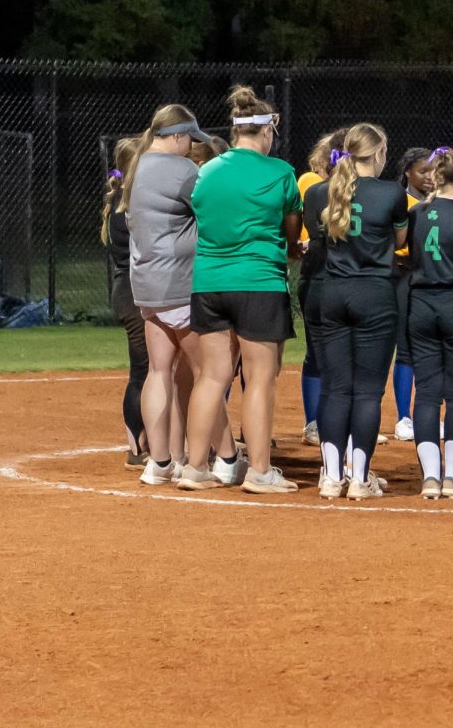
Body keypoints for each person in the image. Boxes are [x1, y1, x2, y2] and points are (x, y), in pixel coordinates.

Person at [186, 85, 302, 493]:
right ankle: (259, 472)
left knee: (212, 378)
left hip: (209, 283)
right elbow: (291, 234)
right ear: (266, 131)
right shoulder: (280, 172)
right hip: (259, 283)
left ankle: (196, 468)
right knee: (260, 378)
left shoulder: (207, 172)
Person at [122, 104, 239, 489]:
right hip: (179, 284)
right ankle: (225, 459)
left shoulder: (138, 166)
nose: (191, 146)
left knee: (159, 371)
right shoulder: (182, 170)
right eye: (189, 138)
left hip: (147, 285)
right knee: (208, 375)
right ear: (175, 135)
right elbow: (217, 213)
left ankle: (158, 463)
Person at [306, 123, 408, 500]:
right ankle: (360, 479)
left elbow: (315, 237)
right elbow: (399, 240)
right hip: (375, 294)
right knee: (367, 392)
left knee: (334, 388)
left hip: (332, 293)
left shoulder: (319, 192)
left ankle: (332, 477)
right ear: (378, 154)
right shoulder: (393, 193)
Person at [407, 147, 453, 499]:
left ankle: (430, 478)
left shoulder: (417, 213)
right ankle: (452, 477)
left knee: (426, 392)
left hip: (421, 303)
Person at [101, 136, 148, 470]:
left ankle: (138, 446)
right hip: (138, 294)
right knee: (147, 372)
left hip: (124, 293)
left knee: (142, 371)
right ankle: (143, 446)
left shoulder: (117, 199)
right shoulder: (131, 203)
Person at [297, 129, 343, 448]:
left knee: (318, 355)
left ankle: (324, 424)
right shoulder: (312, 185)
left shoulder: (315, 190)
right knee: (327, 357)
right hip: (332, 278)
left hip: (315, 277)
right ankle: (319, 423)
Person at [389, 147, 435, 442]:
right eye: (423, 171)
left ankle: (426, 415)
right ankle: (404, 417)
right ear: (408, 172)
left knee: (431, 347)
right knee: (405, 347)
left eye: (433, 171)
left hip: (431, 279)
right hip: (403, 279)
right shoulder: (399, 200)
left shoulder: (439, 202)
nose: (430, 177)